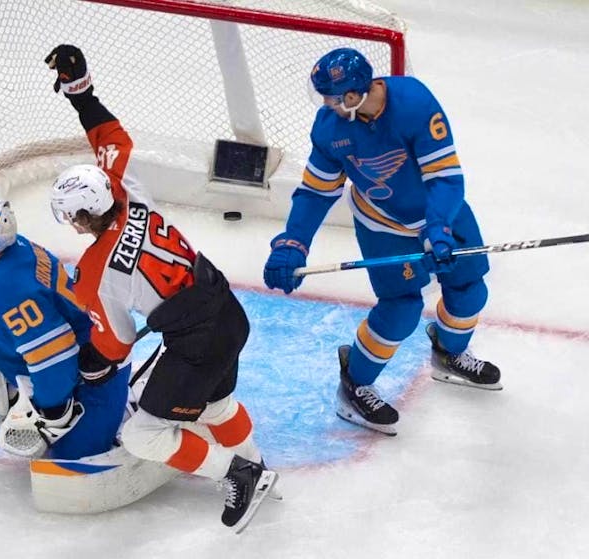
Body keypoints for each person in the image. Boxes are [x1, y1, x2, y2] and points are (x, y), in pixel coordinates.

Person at [44, 44, 277, 532]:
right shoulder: (129, 192)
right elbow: (111, 137)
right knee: (215, 405)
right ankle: (258, 465)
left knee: (143, 436)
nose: (72, 225)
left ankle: (237, 473)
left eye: (71, 216)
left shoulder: (95, 271)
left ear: (85, 215)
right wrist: (79, 91)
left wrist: (85, 371)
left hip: (197, 342)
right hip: (227, 310)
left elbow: (115, 343)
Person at [263, 47, 502, 437]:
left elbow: (444, 176)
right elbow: (315, 193)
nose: (326, 104)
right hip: (383, 224)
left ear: (355, 94)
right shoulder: (330, 129)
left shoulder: (414, 102)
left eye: (333, 96)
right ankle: (355, 382)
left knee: (470, 289)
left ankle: (450, 353)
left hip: (444, 211)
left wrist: (438, 226)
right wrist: (292, 242)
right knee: (401, 310)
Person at [0, 196, 129, 461]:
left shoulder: (11, 289)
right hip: (59, 361)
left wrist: (52, 409)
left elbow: (54, 359)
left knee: (71, 458)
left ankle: (126, 408)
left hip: (94, 367)